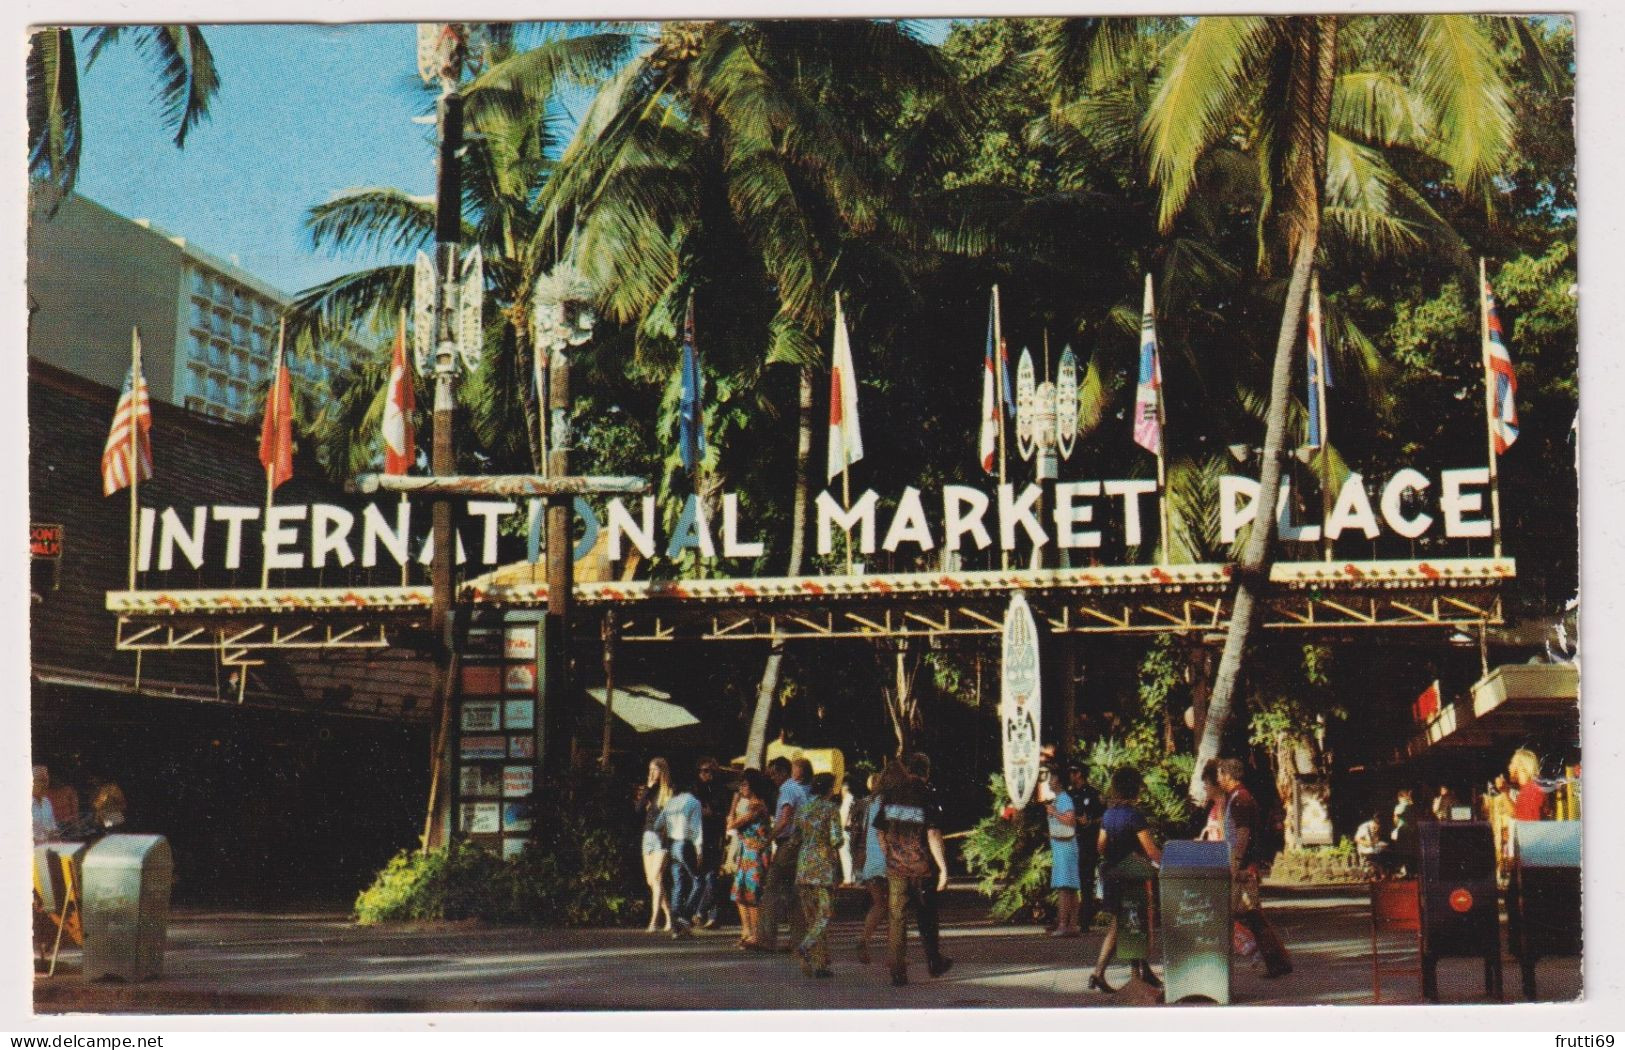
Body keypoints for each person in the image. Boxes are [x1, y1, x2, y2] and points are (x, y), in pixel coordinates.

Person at [874, 752, 952, 986]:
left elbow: (879, 830)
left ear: (908, 770)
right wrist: (943, 868)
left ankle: (897, 970)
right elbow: (933, 834)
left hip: (896, 867)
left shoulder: (890, 795)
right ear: (926, 772)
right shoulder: (927, 795)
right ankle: (934, 961)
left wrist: (888, 852)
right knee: (926, 915)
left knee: (897, 918)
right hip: (921, 868)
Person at [1089, 766, 1162, 994]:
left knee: (1121, 922)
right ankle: (1124, 976)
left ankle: (1128, 972)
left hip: (1112, 875)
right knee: (1132, 923)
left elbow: (1100, 846)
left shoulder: (1109, 815)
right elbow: (1150, 850)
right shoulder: (1135, 815)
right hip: (1133, 876)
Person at [1218, 758, 1292, 979]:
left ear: (1229, 776)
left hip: (1242, 865)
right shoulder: (1237, 797)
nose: (1219, 779)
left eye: (1221, 774)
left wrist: (1237, 861)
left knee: (1249, 914)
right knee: (1251, 915)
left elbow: (1243, 833)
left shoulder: (1240, 799)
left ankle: (1275, 961)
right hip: (1244, 864)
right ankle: (1276, 961)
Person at [758, 756, 810, 951]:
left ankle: (766, 938)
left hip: (787, 844)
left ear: (782, 772)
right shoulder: (797, 789)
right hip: (798, 843)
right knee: (793, 893)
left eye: (773, 774)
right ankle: (797, 940)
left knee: (771, 890)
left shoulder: (787, 789)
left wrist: (768, 840)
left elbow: (785, 819)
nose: (772, 778)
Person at [795, 772, 844, 978]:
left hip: (804, 865)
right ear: (829, 788)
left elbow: (797, 835)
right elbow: (836, 840)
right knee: (824, 914)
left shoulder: (803, 809)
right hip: (823, 867)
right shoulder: (831, 809)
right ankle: (805, 947)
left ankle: (820, 963)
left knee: (811, 917)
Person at [847, 766, 892, 964]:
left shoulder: (869, 803)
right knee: (895, 907)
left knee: (880, 905)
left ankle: (864, 938)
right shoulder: (889, 803)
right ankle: (896, 953)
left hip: (870, 861)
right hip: (887, 860)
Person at [656, 770, 706, 938]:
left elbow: (658, 824)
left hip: (672, 844)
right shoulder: (694, 802)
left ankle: (676, 925)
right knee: (699, 881)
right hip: (685, 844)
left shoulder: (671, 802)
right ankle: (685, 918)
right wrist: (699, 850)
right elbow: (696, 828)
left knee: (678, 885)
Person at [729, 770, 774, 949]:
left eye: (745, 784)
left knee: (752, 893)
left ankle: (756, 933)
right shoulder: (749, 805)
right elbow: (730, 824)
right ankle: (746, 931)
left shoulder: (757, 806)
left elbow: (732, 824)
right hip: (745, 851)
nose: (741, 788)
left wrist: (733, 804)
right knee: (740, 893)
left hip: (755, 853)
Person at [1043, 765, 1082, 937]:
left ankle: (1063, 924)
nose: (1049, 782)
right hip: (1062, 846)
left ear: (1058, 781)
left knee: (1065, 887)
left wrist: (1054, 812)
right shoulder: (1060, 799)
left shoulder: (1064, 799)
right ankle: (1072, 924)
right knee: (1070, 887)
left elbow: (1071, 820)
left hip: (1065, 847)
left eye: (1051, 778)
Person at [1065, 764, 1105, 927]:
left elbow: (1103, 817)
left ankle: (1085, 920)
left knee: (1086, 881)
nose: (1070, 776)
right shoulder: (1069, 795)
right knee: (1071, 881)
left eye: (1072, 773)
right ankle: (1069, 918)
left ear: (1079, 774)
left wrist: (1090, 822)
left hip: (1088, 842)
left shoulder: (1093, 794)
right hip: (1071, 841)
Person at [637, 758, 674, 933]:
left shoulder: (668, 792)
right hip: (648, 834)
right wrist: (648, 788)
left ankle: (654, 920)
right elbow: (638, 809)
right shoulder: (650, 791)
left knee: (656, 877)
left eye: (655, 770)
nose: (652, 773)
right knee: (651, 880)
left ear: (662, 772)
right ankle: (670, 916)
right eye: (650, 769)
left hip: (661, 837)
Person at [693, 757, 729, 928]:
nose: (705, 774)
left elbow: (723, 814)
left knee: (711, 875)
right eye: (702, 770)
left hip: (714, 836)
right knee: (701, 876)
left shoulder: (720, 791)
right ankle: (708, 913)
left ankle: (705, 912)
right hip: (698, 837)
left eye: (709, 771)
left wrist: (711, 814)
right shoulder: (696, 790)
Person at [1510, 748, 1546, 821]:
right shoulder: (1529, 788)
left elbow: (1530, 826)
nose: (1509, 767)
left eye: (1511, 763)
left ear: (1520, 766)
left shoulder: (1530, 791)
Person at [1354, 810, 1391, 876]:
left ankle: (1384, 875)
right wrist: (1367, 843)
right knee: (1379, 856)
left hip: (1374, 850)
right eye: (1375, 827)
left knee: (1387, 851)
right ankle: (1379, 874)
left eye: (1378, 828)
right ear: (1374, 822)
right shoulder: (1365, 827)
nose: (1376, 829)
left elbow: (1376, 840)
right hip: (1365, 851)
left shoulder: (1379, 827)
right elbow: (1357, 839)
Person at [31, 766, 57, 845]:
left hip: (45, 850)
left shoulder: (47, 803)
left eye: (46, 781)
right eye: (41, 781)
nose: (45, 784)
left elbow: (52, 831)